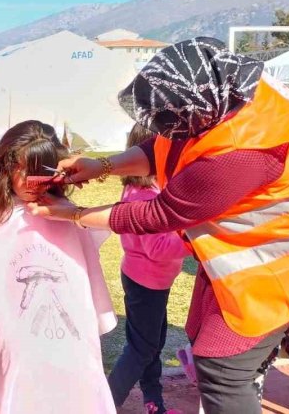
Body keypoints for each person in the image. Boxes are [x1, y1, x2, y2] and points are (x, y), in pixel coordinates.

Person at [30, 37, 289, 414]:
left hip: (288, 256)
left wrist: (73, 214)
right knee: (216, 357)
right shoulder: (225, 92)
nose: (165, 131)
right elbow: (165, 147)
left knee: (223, 368)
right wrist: (103, 165)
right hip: (264, 243)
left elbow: (159, 214)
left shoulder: (243, 151)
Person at [0, 120, 117, 414]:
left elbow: (82, 279)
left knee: (78, 381)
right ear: (4, 167)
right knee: (18, 380)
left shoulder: (69, 218)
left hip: (69, 336)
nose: (25, 180)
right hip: (15, 338)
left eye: (36, 171)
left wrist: (75, 212)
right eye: (18, 168)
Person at [106, 124, 189, 414]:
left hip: (150, 282)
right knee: (142, 349)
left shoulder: (146, 189)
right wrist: (193, 239)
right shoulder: (145, 197)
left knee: (150, 345)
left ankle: (154, 403)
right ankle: (102, 404)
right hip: (147, 284)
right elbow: (158, 248)